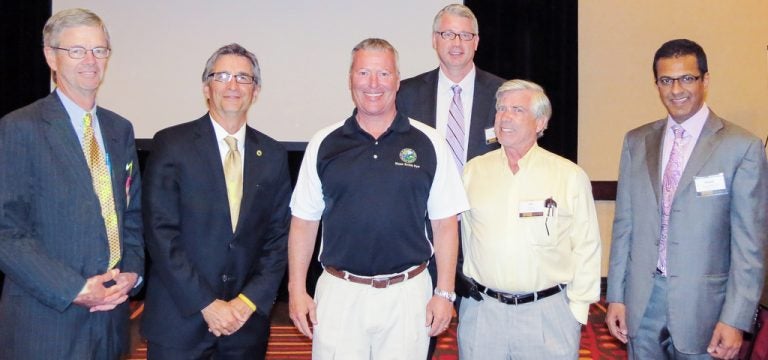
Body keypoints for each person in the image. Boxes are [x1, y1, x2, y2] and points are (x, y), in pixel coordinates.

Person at [287, 38, 468, 360]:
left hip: (408, 294)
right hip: (339, 293)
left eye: (383, 74)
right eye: (363, 73)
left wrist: (445, 291)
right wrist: (296, 289)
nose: (373, 84)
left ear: (398, 80)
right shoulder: (324, 143)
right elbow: (304, 222)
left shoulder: (429, 142)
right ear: (350, 79)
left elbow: (445, 224)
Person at [606, 39, 768, 360]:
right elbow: (625, 225)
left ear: (705, 81)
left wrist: (735, 318)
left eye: (687, 78)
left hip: (706, 308)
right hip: (642, 303)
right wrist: (616, 296)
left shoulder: (741, 147)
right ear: (657, 85)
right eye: (666, 80)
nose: (676, 89)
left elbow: (750, 244)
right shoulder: (636, 141)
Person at [0, 8, 144, 359]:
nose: (90, 61)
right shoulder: (21, 127)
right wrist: (75, 289)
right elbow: (6, 232)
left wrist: (133, 274)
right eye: (77, 50)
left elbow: (132, 215)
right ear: (51, 55)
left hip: (111, 320)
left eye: (99, 50)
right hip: (47, 322)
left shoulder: (119, 129)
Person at [140, 43, 291, 359]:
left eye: (243, 78)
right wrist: (207, 304)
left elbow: (278, 240)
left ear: (256, 90)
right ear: (206, 87)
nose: (233, 85)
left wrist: (245, 303)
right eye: (222, 76)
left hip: (244, 325)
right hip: (180, 321)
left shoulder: (273, 155)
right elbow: (160, 233)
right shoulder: (171, 144)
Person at [458, 79, 601, 359]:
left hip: (547, 314)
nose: (505, 117)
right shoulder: (473, 172)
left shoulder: (568, 176)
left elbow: (587, 246)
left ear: (540, 122)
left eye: (517, 110)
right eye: (500, 109)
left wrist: (577, 311)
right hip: (483, 313)